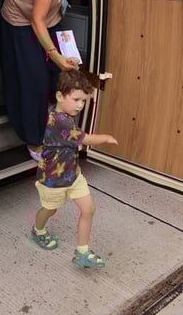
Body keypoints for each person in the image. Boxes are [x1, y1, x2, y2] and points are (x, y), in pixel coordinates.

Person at [0, 0, 97, 160]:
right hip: (22, 23)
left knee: (66, 70)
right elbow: (36, 20)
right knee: (35, 79)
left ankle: (54, 119)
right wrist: (55, 56)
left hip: (51, 18)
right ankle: (35, 141)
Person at [31, 69, 118, 268]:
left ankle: (82, 252)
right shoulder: (60, 120)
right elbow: (85, 139)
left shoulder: (65, 111)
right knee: (49, 209)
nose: (80, 105)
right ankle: (38, 230)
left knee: (88, 209)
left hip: (73, 175)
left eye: (84, 101)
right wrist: (105, 138)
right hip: (53, 179)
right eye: (77, 99)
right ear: (60, 96)